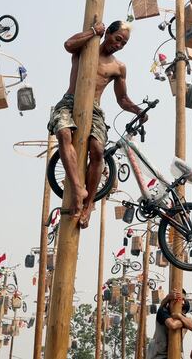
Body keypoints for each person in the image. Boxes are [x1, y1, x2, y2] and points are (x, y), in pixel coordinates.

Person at [48, 20, 145, 228]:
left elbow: (122, 99)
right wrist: (93, 32)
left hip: (95, 109)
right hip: (70, 101)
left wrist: (139, 110)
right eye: (117, 39)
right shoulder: (85, 46)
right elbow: (67, 44)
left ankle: (88, 204)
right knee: (64, 133)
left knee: (98, 150)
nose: (118, 45)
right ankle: (77, 189)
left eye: (123, 44)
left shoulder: (118, 67)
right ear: (108, 33)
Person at [146, 290, 192, 359]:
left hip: (176, 353)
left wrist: (179, 316)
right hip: (159, 355)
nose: (178, 301)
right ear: (170, 301)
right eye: (175, 298)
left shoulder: (182, 317)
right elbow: (173, 325)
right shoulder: (163, 311)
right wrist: (183, 322)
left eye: (181, 299)